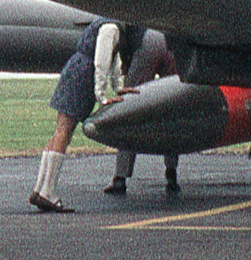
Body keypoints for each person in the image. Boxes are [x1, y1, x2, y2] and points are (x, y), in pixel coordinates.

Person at [30, 18, 133, 213]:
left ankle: (40, 188)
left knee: (60, 130)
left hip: (75, 68)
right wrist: (102, 96)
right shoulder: (112, 27)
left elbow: (112, 61)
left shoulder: (106, 23)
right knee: (64, 132)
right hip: (83, 75)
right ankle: (47, 192)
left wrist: (118, 88)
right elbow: (102, 61)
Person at [103, 29, 179, 196]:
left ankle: (120, 178)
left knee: (129, 109)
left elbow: (124, 47)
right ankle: (171, 173)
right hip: (169, 40)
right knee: (172, 107)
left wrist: (127, 70)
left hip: (145, 42)